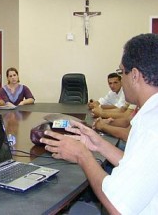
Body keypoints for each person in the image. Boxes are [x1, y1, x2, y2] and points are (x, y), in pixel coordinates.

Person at [41, 33, 158, 214]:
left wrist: (82, 155)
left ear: (134, 75)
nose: (121, 80)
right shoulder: (151, 114)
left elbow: (118, 207)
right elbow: (137, 165)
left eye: (121, 72)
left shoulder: (152, 126)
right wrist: (98, 144)